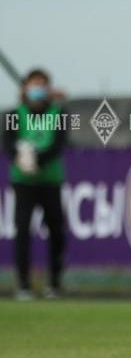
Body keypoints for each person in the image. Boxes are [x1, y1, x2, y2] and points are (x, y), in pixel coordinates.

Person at [2, 69, 69, 301]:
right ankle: (23, 285)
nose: (38, 89)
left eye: (42, 84)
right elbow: (8, 144)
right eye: (34, 84)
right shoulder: (14, 114)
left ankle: (54, 284)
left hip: (50, 180)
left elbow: (59, 144)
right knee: (22, 231)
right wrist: (21, 158)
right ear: (25, 88)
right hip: (24, 182)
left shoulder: (58, 113)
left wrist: (36, 159)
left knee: (57, 231)